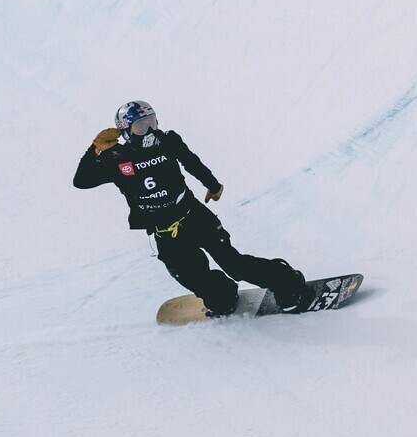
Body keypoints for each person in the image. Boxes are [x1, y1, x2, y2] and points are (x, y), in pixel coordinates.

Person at [73, 100, 311, 317]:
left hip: (195, 217)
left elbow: (191, 162)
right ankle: (224, 297)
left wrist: (213, 185)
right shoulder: (116, 158)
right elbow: (81, 181)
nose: (150, 131)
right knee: (192, 276)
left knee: (234, 263)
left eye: (152, 123)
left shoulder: (167, 141)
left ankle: (288, 284)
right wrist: (94, 150)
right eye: (141, 127)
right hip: (166, 233)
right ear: (125, 130)